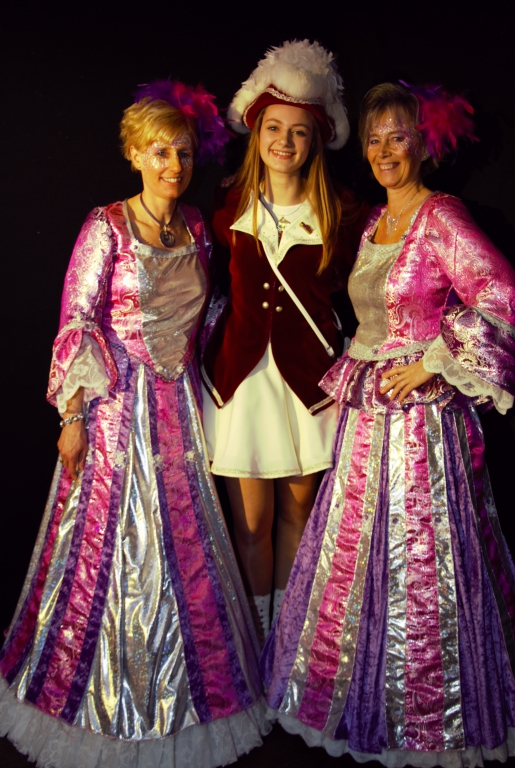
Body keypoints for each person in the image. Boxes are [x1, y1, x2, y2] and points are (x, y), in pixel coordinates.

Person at [0, 80, 269, 768]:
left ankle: (192, 695)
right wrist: (73, 415)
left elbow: (207, 316)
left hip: (180, 412)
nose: (173, 165)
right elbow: (77, 319)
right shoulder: (106, 226)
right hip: (116, 412)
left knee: (186, 551)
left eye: (183, 153)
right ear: (134, 155)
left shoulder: (197, 227)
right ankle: (99, 700)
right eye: (159, 152)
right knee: (111, 552)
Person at [261, 81, 515, 765]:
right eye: (373, 140)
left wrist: (433, 360)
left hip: (421, 425)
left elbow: (501, 294)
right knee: (356, 559)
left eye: (397, 137)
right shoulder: (376, 219)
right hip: (367, 415)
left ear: (424, 144)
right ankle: (357, 694)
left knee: (419, 560)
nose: (383, 151)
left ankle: (426, 714)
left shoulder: (441, 215)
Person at [201, 40, 366, 643]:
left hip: (308, 389)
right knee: (251, 525)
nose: (285, 141)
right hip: (243, 385)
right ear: (256, 131)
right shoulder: (228, 205)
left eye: (299, 131)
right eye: (274, 127)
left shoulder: (344, 214)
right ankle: (258, 639)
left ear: (317, 140)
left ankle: (290, 643)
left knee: (299, 514)